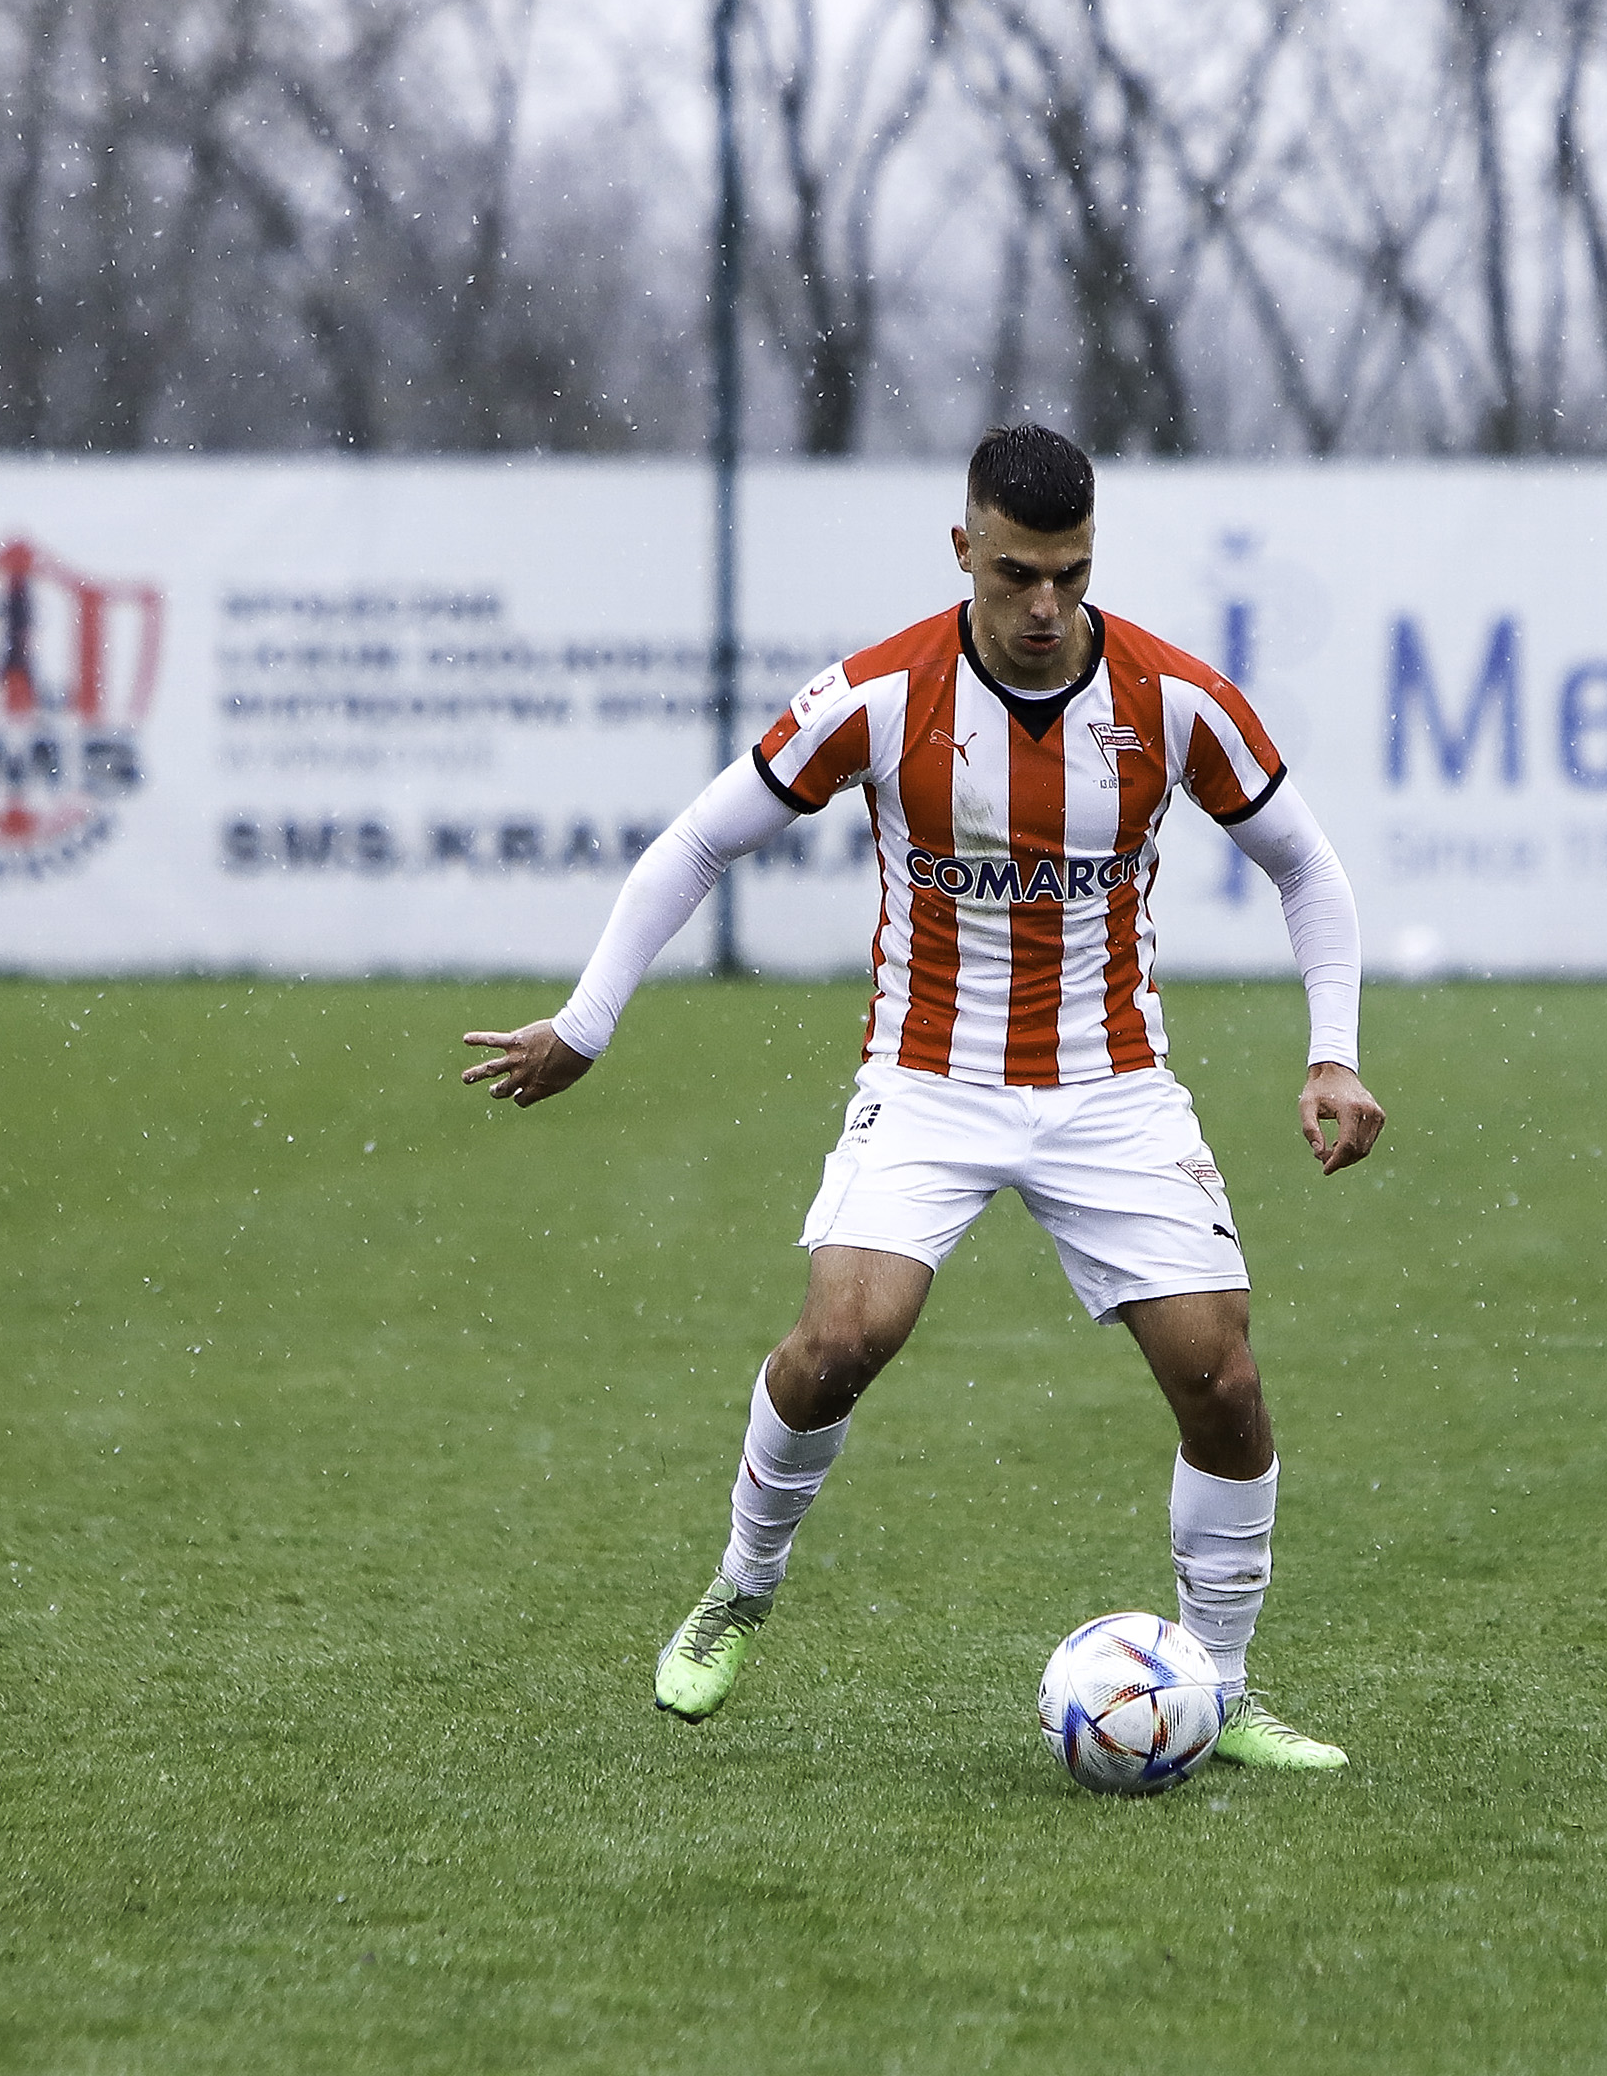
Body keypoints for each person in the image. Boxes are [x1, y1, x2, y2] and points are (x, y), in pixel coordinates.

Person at [461, 424, 1384, 1770]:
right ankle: (740, 1590)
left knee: (1223, 1379)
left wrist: (1332, 1051)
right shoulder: (882, 695)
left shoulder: (1176, 700)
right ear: (964, 549)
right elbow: (700, 841)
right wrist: (588, 1022)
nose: (1044, 606)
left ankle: (1224, 1691)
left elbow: (1308, 868)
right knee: (843, 1338)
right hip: (930, 1078)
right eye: (1015, 574)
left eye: (1070, 575)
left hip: (1112, 1085)